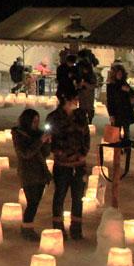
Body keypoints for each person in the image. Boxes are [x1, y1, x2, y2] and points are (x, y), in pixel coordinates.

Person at [45, 88, 90, 240]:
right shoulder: (54, 118)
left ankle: (76, 228)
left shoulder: (81, 116)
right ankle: (58, 228)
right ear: (65, 100)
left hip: (79, 164)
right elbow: (50, 140)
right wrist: (61, 153)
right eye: (74, 99)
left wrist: (83, 153)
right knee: (60, 195)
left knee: (78, 197)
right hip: (62, 164)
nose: (77, 101)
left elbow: (86, 136)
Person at [11, 109, 52, 241]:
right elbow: (25, 153)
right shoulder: (19, 135)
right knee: (32, 202)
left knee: (35, 202)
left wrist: (47, 143)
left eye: (38, 121)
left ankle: (27, 226)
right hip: (28, 173)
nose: (36, 124)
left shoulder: (38, 134)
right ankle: (27, 228)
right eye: (34, 121)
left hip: (40, 172)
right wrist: (40, 141)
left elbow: (45, 154)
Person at [106, 64, 134, 140]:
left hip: (126, 111)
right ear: (114, 74)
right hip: (116, 111)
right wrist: (111, 114)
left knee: (126, 131)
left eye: (121, 73)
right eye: (118, 73)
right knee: (116, 133)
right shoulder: (111, 85)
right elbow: (109, 100)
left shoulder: (124, 83)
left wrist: (128, 90)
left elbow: (132, 92)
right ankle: (117, 146)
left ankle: (126, 145)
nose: (120, 75)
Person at [76, 59, 97, 124]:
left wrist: (85, 84)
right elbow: (78, 85)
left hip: (89, 94)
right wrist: (79, 85)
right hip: (82, 94)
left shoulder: (92, 76)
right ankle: (83, 121)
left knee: (89, 108)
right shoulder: (81, 75)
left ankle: (90, 121)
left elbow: (94, 85)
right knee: (82, 109)